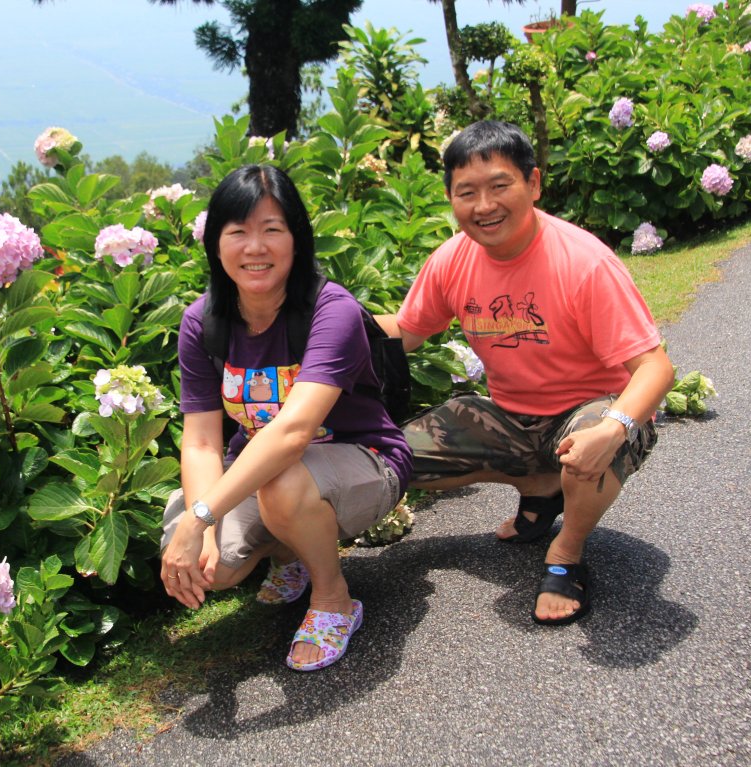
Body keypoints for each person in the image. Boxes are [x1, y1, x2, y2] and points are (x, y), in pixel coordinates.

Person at [378, 120, 675, 625]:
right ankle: (541, 487)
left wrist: (615, 428)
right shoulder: (452, 259)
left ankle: (566, 553)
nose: (484, 205)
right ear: (450, 198)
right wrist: (320, 323)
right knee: (394, 458)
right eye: (466, 192)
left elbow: (655, 367)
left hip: (591, 414)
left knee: (588, 446)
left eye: (500, 186)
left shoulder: (583, 262)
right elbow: (406, 330)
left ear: (533, 184)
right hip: (510, 418)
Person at [160, 164, 413, 670]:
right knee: (213, 566)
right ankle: (290, 552)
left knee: (279, 481)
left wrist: (204, 512)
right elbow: (204, 444)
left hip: (366, 460)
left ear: (297, 239)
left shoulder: (330, 309)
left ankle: (333, 598)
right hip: (267, 471)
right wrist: (200, 527)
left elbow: (294, 433)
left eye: (272, 229)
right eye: (238, 232)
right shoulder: (201, 323)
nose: (255, 247)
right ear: (215, 244)